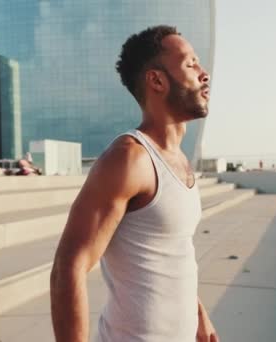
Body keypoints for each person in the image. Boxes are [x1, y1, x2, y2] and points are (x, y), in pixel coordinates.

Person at [50, 26, 218, 342]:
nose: (204, 73)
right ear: (156, 80)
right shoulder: (129, 159)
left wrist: (198, 314)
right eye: (190, 64)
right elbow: (68, 267)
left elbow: (172, 253)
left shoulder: (179, 159)